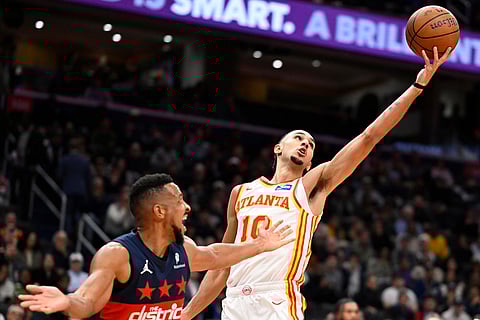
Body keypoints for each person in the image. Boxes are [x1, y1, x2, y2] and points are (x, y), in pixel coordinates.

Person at [181, 47, 452, 320]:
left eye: (310, 145)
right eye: (299, 138)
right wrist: (186, 315)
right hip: (235, 301)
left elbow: (369, 137)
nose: (305, 145)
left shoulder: (311, 186)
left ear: (310, 162)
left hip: (277, 300)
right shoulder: (240, 192)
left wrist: (417, 86)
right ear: (278, 148)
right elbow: (219, 267)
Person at [18, 173, 294, 319]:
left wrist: (258, 245)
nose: (187, 208)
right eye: (179, 201)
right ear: (160, 211)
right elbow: (87, 302)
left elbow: (213, 255)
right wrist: (67, 301)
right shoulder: (117, 255)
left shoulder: (182, 249)